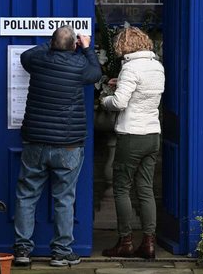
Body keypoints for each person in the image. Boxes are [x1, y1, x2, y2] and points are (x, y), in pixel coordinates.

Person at [13, 26, 102, 267]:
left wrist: (52, 43)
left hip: (35, 141)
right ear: (74, 45)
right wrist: (86, 48)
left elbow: (26, 56)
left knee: (27, 194)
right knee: (64, 197)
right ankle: (61, 252)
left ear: (51, 43)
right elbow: (96, 73)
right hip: (68, 145)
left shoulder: (38, 60)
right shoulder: (80, 65)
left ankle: (22, 249)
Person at [100, 27, 165, 259]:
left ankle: (125, 241)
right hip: (152, 134)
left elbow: (119, 103)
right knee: (145, 189)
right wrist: (123, 83)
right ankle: (149, 243)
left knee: (121, 188)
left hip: (132, 136)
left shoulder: (130, 67)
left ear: (124, 45)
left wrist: (104, 99)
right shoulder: (157, 66)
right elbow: (143, 93)